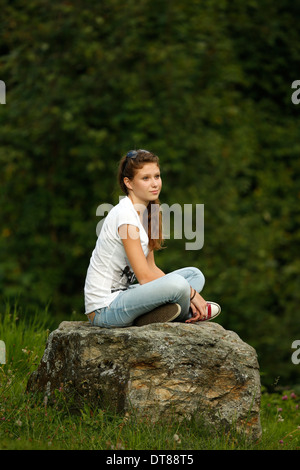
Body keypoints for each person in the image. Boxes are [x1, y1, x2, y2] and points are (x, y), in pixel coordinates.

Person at [84, 149, 221, 328]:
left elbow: (151, 267)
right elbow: (145, 277)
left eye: (157, 176)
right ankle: (184, 311)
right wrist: (191, 294)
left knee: (194, 275)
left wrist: (180, 289)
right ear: (129, 183)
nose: (154, 183)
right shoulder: (125, 216)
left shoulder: (152, 212)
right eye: (146, 178)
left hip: (126, 295)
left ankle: (160, 312)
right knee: (180, 285)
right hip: (105, 309)